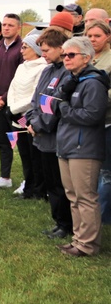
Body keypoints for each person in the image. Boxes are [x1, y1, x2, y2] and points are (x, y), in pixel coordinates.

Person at [53, 36, 108, 257]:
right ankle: (79, 239)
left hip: (83, 147)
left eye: (71, 55)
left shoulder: (93, 82)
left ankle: (88, 244)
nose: (66, 58)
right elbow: (57, 102)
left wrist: (64, 109)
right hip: (67, 145)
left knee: (85, 197)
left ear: (86, 58)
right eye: (64, 55)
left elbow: (93, 115)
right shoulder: (73, 79)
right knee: (73, 195)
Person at [25, 27, 73, 240]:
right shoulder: (47, 70)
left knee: (60, 184)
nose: (42, 54)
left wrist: (39, 125)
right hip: (41, 136)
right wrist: (31, 120)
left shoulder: (67, 72)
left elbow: (56, 105)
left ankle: (66, 224)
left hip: (56, 137)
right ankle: (58, 221)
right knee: (51, 182)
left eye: (46, 50)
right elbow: (36, 100)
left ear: (60, 49)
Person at [0, 14, 24, 190]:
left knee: (23, 143)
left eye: (10, 25)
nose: (6, 28)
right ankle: (5, 177)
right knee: (2, 141)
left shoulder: (23, 48)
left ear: (18, 28)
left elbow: (20, 78)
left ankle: (28, 179)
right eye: (5, 25)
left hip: (17, 104)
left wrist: (4, 97)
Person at [6, 32, 46, 199]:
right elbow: (12, 87)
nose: (21, 50)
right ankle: (28, 188)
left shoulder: (43, 67)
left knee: (34, 154)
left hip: (30, 116)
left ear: (35, 49)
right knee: (24, 155)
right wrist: (10, 107)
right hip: (17, 116)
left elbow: (35, 96)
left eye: (25, 47)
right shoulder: (22, 66)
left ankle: (39, 190)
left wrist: (15, 110)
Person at [83, 19, 111, 224]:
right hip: (86, 122)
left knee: (106, 172)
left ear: (108, 37)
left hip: (107, 121)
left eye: (97, 36)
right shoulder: (87, 58)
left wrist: (91, 102)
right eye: (90, 36)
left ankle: (100, 218)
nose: (93, 40)